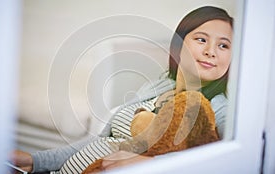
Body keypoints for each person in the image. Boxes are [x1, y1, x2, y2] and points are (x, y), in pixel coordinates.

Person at [12, 6, 233, 174]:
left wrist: (150, 163)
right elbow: (102, 141)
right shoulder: (159, 86)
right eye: (201, 39)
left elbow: (226, 163)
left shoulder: (220, 109)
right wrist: (35, 161)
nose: (211, 51)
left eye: (223, 45)